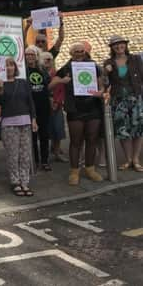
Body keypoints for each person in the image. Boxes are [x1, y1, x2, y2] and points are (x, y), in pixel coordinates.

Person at [50, 42, 105, 185]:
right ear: (71, 53)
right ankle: (74, 171)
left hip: (93, 107)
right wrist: (62, 80)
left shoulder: (93, 66)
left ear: (85, 52)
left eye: (81, 51)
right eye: (76, 51)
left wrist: (101, 91)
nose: (79, 53)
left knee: (92, 139)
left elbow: (101, 85)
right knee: (76, 141)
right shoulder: (66, 68)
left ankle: (90, 169)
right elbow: (50, 85)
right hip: (75, 108)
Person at [0, 58, 38, 196]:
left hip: (25, 121)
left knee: (25, 155)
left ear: (15, 67)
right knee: (13, 155)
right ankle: (15, 181)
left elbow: (30, 101)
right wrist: (0, 89)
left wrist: (34, 119)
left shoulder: (23, 83)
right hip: (9, 123)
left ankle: (25, 181)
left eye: (11, 65)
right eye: (6, 66)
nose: (9, 68)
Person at [103, 35, 143, 172]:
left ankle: (136, 159)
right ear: (112, 48)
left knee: (138, 129)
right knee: (122, 131)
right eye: (115, 44)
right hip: (118, 100)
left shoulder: (135, 59)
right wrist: (105, 72)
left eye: (121, 44)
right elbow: (105, 83)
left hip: (136, 98)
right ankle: (128, 159)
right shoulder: (109, 62)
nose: (119, 46)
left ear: (125, 45)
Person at [25, 45, 52, 171]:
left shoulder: (42, 70)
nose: (30, 57)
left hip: (44, 106)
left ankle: (45, 160)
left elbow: (48, 86)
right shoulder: (22, 71)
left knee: (44, 134)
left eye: (32, 54)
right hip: (30, 107)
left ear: (37, 56)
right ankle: (34, 160)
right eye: (27, 54)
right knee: (33, 136)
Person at [40, 51, 68, 162]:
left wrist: (57, 102)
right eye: (45, 59)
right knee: (45, 131)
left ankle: (57, 153)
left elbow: (62, 89)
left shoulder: (57, 73)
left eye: (49, 59)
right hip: (44, 106)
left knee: (58, 130)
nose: (47, 61)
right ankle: (44, 155)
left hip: (57, 106)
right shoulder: (39, 74)